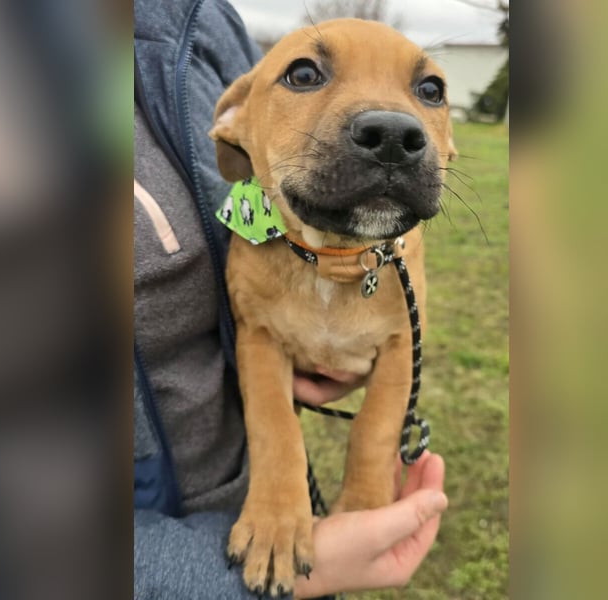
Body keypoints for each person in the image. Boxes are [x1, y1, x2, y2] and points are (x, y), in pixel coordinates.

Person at [133, 1, 447, 597]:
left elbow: (400, 337)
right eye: (307, 76)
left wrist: (370, 468)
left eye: (427, 90)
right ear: (234, 124)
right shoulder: (251, 243)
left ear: (446, 141)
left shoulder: (201, 17)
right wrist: (279, 485)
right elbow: (259, 331)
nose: (394, 124)